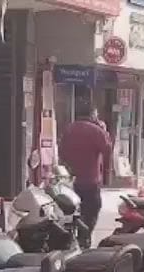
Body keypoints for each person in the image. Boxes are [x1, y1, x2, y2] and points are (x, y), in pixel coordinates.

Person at [59, 97, 111, 246]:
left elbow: (62, 152)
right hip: (90, 179)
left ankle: (77, 236)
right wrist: (103, 129)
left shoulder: (70, 129)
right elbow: (107, 149)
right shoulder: (96, 130)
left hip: (71, 180)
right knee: (92, 209)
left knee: (74, 210)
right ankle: (85, 237)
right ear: (92, 114)